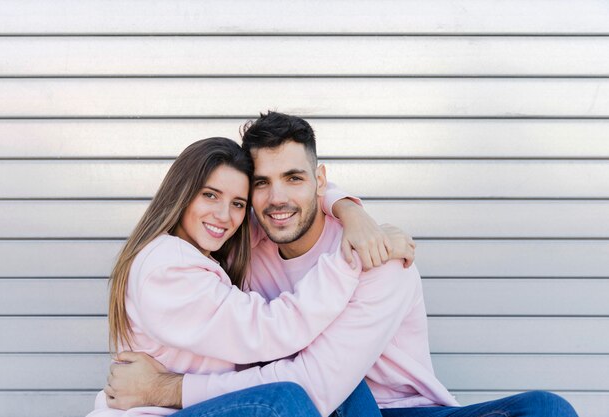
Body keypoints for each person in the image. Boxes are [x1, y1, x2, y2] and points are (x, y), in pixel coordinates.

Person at [105, 112, 579, 417]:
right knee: (301, 393)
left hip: (397, 410)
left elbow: (319, 386)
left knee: (547, 409)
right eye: (262, 185)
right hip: (305, 398)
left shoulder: (380, 260)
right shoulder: (243, 240)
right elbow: (294, 371)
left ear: (319, 180)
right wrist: (349, 208)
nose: (277, 200)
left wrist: (350, 215)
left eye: (294, 178)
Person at [89, 137, 412, 417]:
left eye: (238, 203)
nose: (223, 215)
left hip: (198, 408)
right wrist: (352, 257)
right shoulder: (167, 267)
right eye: (210, 195)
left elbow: (290, 201)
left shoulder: (212, 251)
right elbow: (272, 329)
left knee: (338, 381)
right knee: (282, 400)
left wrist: (350, 211)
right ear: (182, 193)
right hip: (155, 412)